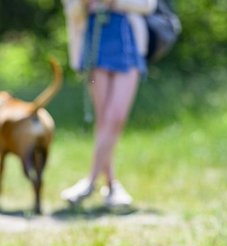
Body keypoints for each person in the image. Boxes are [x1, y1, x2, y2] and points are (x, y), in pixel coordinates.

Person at [61, 0, 156, 208]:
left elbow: (149, 5)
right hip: (95, 39)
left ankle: (90, 182)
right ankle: (112, 185)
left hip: (128, 39)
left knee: (116, 117)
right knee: (104, 119)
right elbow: (73, 10)